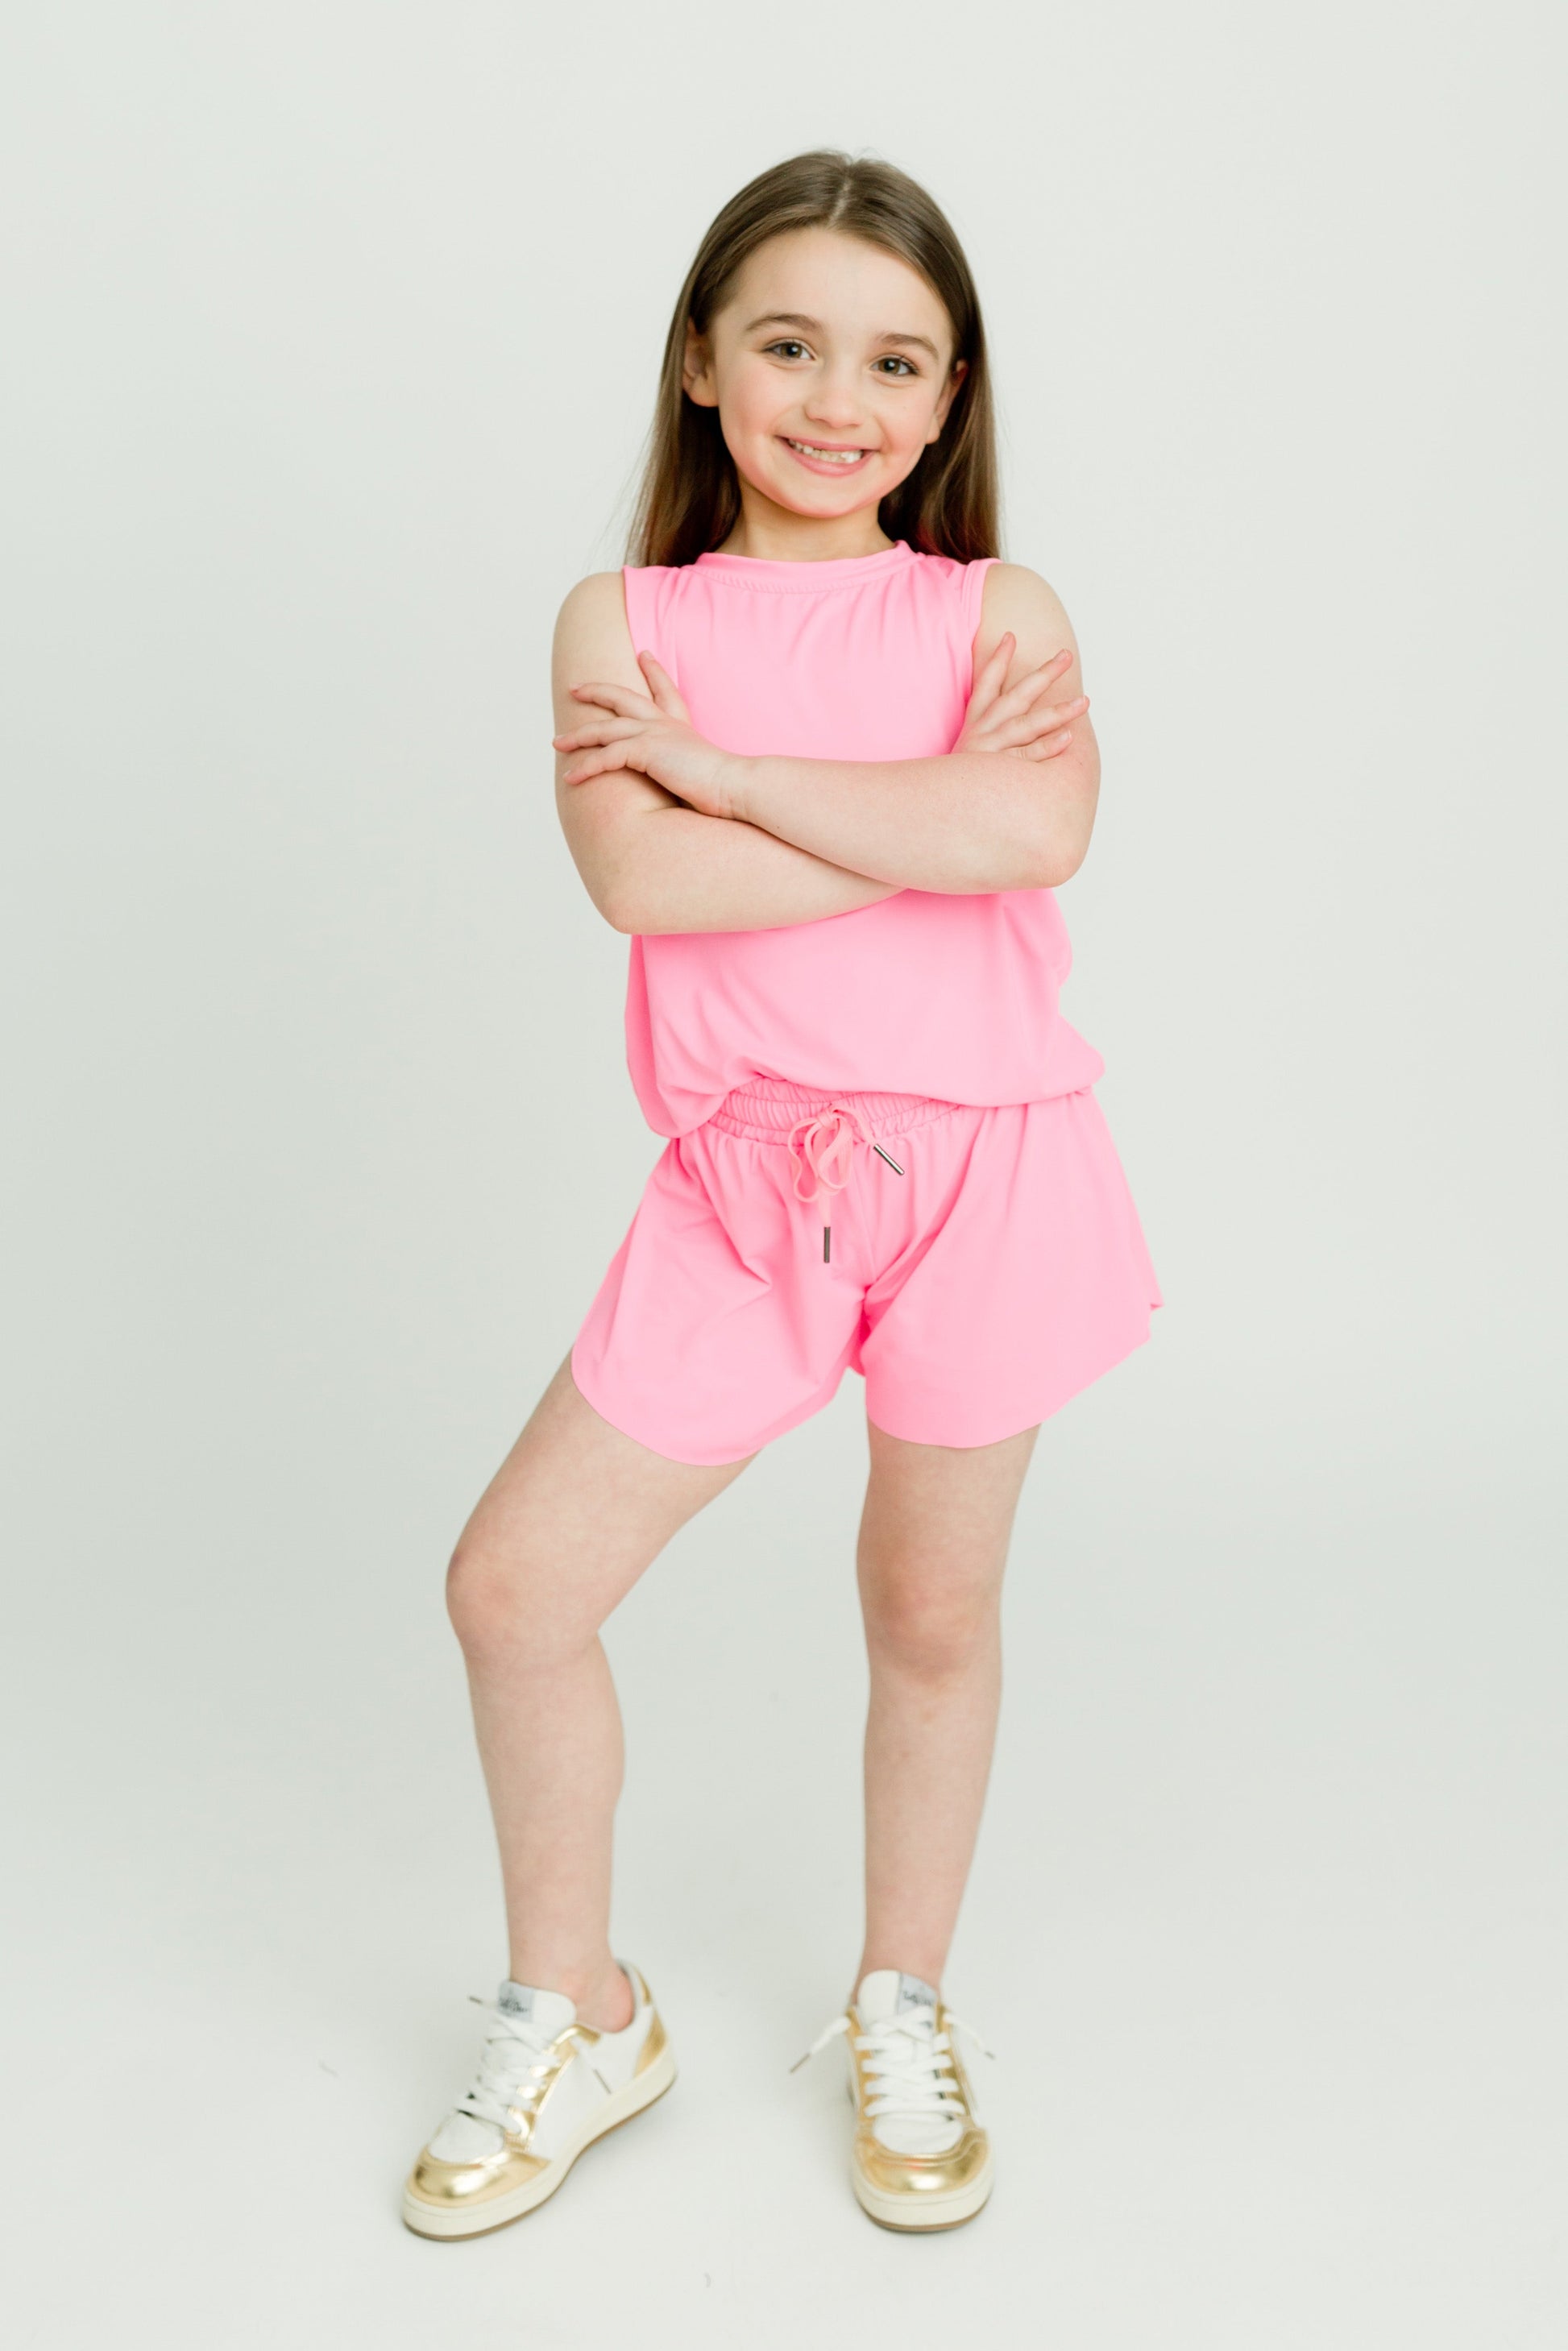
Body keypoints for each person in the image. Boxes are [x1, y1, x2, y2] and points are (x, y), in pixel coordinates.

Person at [400, 147, 1161, 2241]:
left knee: (928, 1610)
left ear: (947, 396)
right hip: (746, 1186)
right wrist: (934, 823)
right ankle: (580, 2007)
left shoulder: (996, 613)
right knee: (514, 1590)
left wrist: (730, 775)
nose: (841, 399)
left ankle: (898, 1989)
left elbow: (1042, 831)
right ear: (702, 369)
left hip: (989, 1173)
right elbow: (643, 882)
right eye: (792, 344)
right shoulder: (619, 623)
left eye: (894, 359)